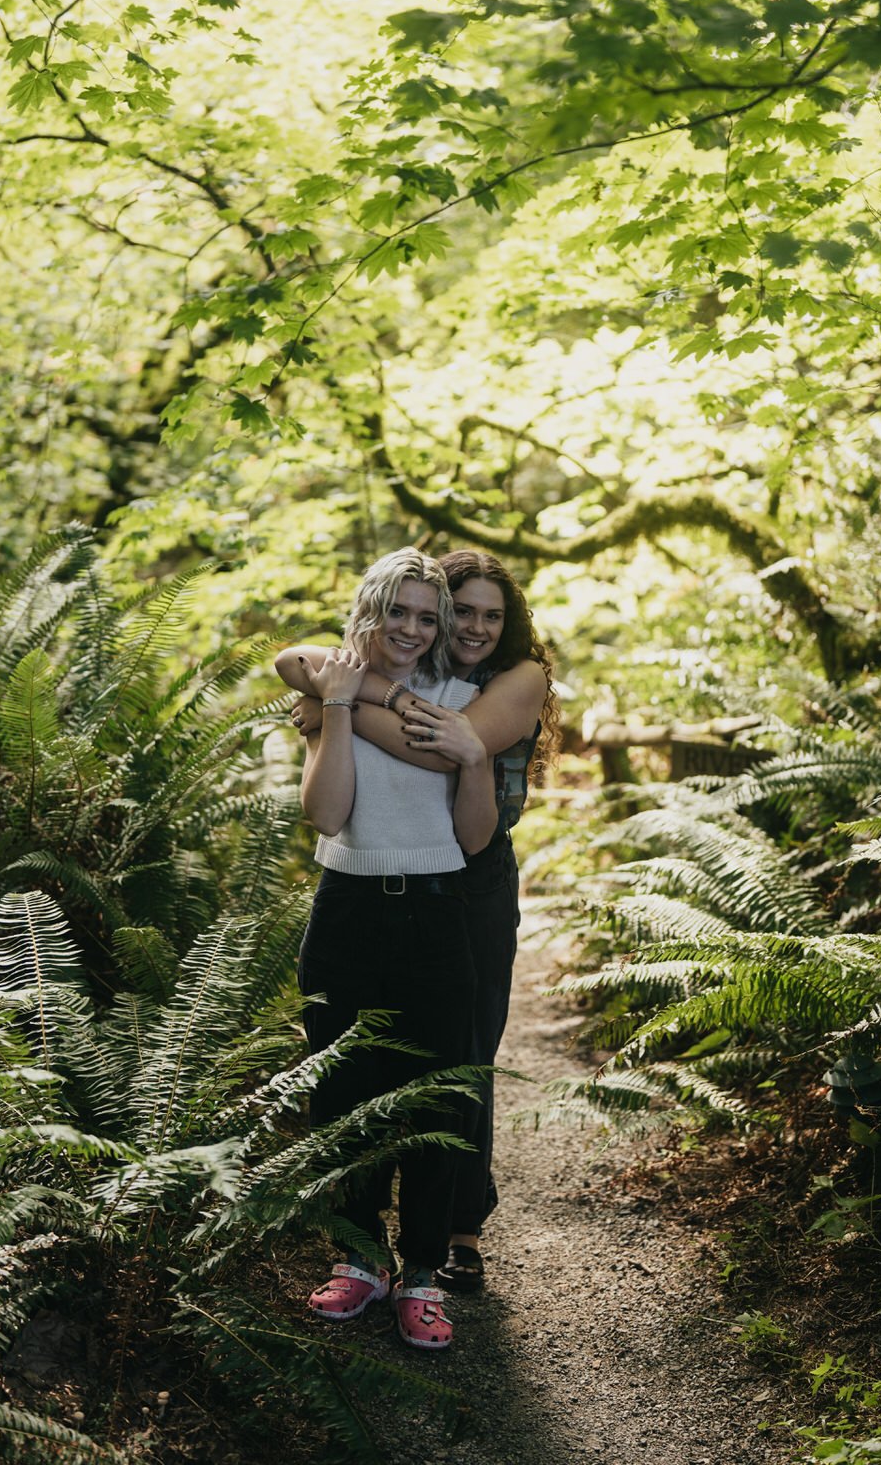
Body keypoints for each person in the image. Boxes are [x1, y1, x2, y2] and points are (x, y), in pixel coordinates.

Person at [287, 550, 557, 1294]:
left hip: (457, 893)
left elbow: (463, 781)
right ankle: (358, 1253)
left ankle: (435, 1255)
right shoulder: (346, 683)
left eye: (428, 616)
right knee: (345, 1088)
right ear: (371, 610)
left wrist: (370, 710)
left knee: (448, 1077)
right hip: (350, 900)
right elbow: (294, 661)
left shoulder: (485, 688)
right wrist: (338, 704)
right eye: (399, 612)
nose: (418, 628)